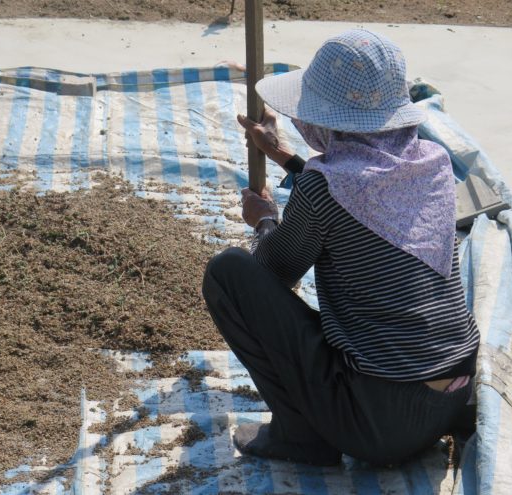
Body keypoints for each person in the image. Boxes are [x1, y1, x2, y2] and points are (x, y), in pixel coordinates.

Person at [201, 29, 479, 466]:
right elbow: (362, 191)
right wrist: (287, 159)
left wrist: (266, 219)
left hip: (380, 424)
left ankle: (300, 437)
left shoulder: (322, 189)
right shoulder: (433, 162)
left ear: (327, 120)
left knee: (229, 272)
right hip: (454, 397)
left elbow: (274, 271)